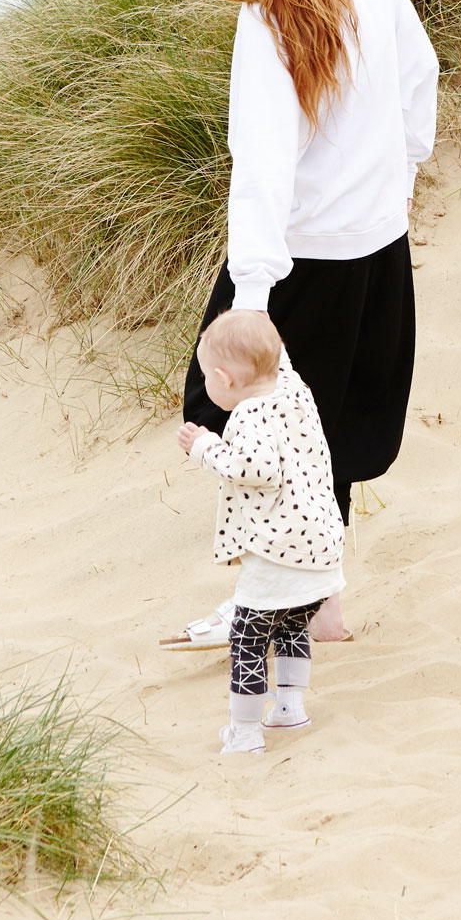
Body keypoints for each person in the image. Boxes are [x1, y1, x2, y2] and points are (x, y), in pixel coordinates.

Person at [158, 0, 438, 649]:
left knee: (231, 415)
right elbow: (422, 73)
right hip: (378, 245)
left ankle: (276, 603)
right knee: (330, 430)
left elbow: (263, 168)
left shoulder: (266, 17)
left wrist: (250, 297)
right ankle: (323, 606)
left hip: (301, 260)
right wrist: (400, 181)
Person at [177, 308, 345, 753]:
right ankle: (289, 709)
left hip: (279, 552)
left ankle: (246, 732)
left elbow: (255, 468)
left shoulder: (248, 416)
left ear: (223, 378)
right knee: (291, 625)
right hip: (321, 547)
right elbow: (277, 357)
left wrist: (205, 446)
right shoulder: (293, 389)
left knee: (249, 637)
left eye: (208, 379)